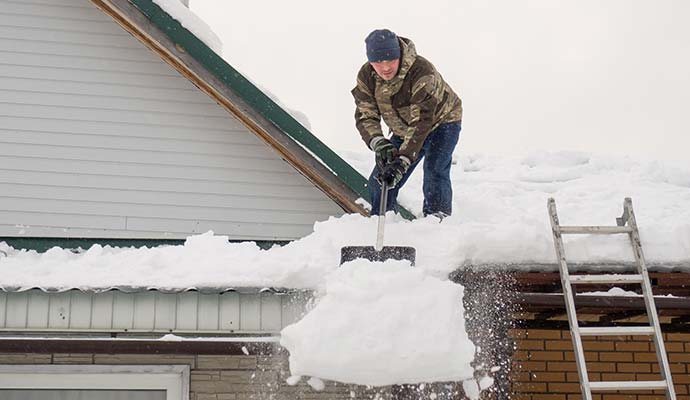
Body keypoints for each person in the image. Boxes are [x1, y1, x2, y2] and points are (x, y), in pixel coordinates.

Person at [352, 29, 463, 219]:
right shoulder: (366, 77)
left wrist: (403, 160)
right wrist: (378, 142)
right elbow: (365, 114)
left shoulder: (421, 71)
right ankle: (384, 221)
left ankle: (437, 222)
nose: (385, 67)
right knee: (381, 179)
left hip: (442, 123)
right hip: (403, 129)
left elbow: (421, 121)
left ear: (399, 55)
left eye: (390, 60)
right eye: (378, 62)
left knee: (435, 169)